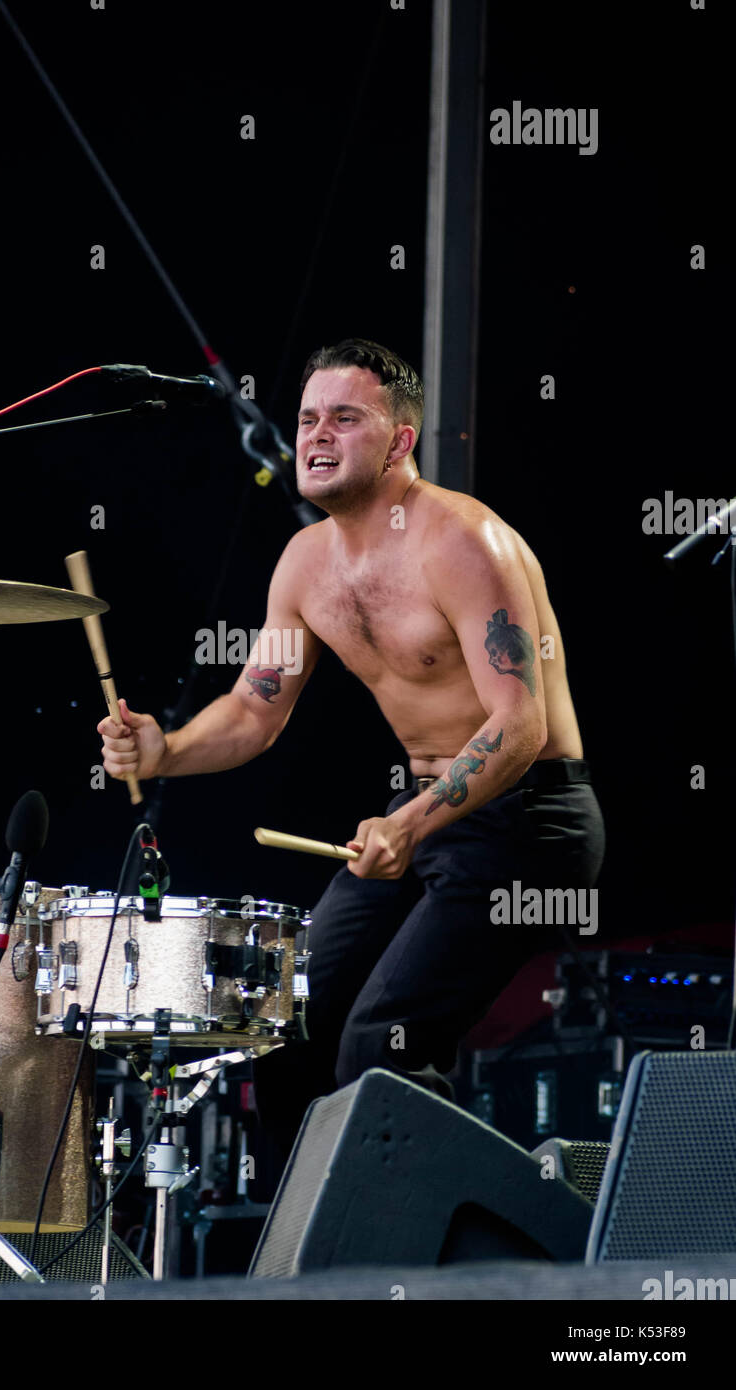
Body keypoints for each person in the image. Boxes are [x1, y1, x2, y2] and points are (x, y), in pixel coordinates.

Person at [98, 338, 604, 1158]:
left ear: (400, 441)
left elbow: (520, 726)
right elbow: (254, 713)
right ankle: (315, 1270)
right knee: (290, 1026)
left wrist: (411, 825)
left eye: (344, 418)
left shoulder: (463, 542)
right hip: (426, 818)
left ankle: (452, 1259)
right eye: (305, 419)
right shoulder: (305, 564)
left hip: (529, 817)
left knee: (383, 1041)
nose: (315, 435)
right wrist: (165, 750)